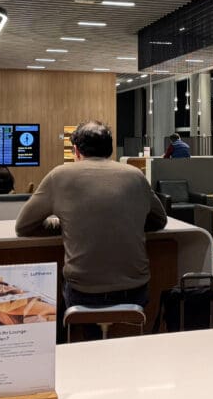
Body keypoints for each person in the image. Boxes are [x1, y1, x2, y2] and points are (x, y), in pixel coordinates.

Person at [15, 120, 167, 312]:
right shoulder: (136, 175)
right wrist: (128, 222)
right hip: (135, 292)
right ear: (110, 149)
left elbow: (23, 226)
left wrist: (67, 225)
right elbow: (159, 220)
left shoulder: (59, 175)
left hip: (83, 292)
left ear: (76, 150)